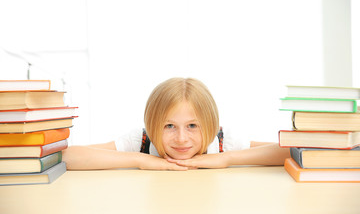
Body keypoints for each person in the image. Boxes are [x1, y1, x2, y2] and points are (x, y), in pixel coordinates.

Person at [62, 77, 290, 170]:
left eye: (192, 126)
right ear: (152, 125)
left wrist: (226, 158)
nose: (181, 138)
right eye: (169, 126)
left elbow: (289, 151)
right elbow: (68, 156)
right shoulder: (142, 140)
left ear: (210, 124)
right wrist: (141, 160)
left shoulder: (221, 141)